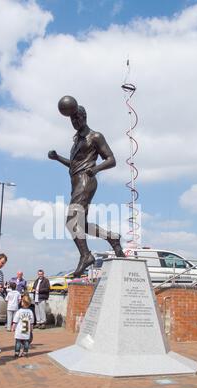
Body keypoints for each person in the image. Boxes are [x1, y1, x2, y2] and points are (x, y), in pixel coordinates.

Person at [48, 97, 125, 277]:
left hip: (86, 181)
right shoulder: (76, 141)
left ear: (84, 117)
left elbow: (111, 159)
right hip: (76, 182)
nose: (75, 122)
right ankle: (112, 238)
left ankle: (86, 255)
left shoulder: (95, 136)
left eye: (78, 118)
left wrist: (96, 169)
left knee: (71, 220)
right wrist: (58, 157)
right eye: (72, 120)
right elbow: (75, 165)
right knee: (80, 224)